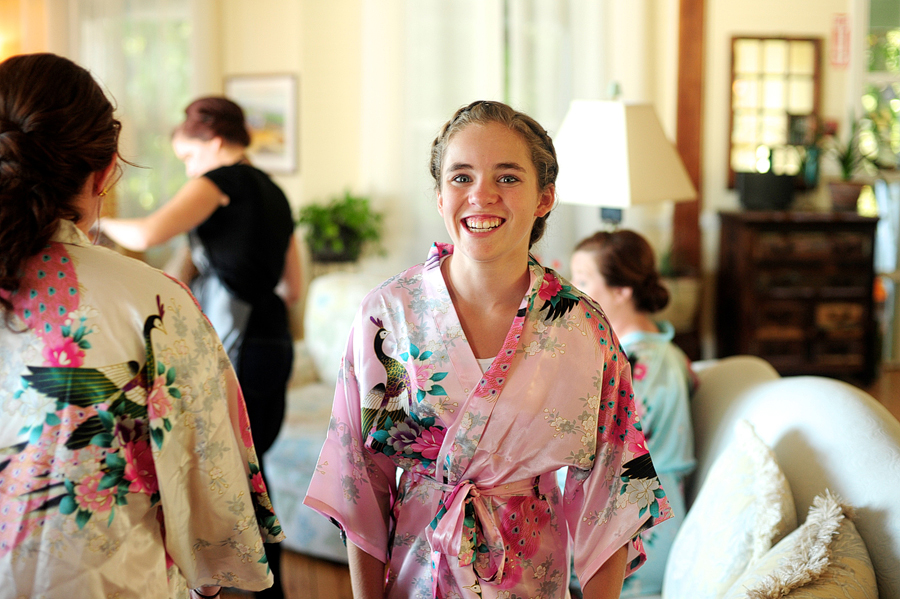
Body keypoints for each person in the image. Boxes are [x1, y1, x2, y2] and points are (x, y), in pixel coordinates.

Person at [304, 100, 671, 599]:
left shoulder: (582, 327)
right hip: (417, 575)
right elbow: (360, 480)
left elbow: (612, 493)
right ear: (439, 196)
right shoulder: (387, 313)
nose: (481, 196)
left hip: (533, 578)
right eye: (461, 178)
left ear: (545, 197)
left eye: (508, 178)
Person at [0, 53, 282, 598]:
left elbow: (154, 232)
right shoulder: (156, 304)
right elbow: (211, 501)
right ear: (105, 171)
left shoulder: (214, 191)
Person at [101, 96, 301, 598]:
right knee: (252, 467)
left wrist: (92, 225)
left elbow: (147, 232)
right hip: (273, 339)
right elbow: (293, 286)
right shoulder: (275, 192)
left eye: (188, 157)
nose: (189, 170)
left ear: (212, 142)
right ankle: (265, 585)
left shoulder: (221, 181)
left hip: (241, 340)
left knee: (232, 469)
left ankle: (244, 585)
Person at [570, 230, 697, 597]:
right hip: (626, 505)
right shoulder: (646, 352)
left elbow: (600, 446)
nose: (574, 293)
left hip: (642, 519)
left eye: (583, 281)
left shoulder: (644, 362)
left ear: (622, 290)